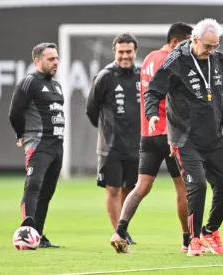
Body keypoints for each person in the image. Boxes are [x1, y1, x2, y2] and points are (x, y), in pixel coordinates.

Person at [144, 18, 223, 257]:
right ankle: (193, 240)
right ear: (194, 39)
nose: (211, 51)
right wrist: (151, 114)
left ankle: (210, 232)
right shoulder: (175, 62)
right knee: (197, 184)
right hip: (184, 138)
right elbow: (153, 91)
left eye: (215, 47)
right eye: (207, 47)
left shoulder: (218, 60)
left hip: (212, 137)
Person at [110, 22, 193, 254]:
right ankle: (188, 242)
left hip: (148, 134)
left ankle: (119, 231)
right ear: (175, 42)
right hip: (170, 133)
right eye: (189, 41)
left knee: (141, 187)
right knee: (184, 189)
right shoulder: (174, 60)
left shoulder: (148, 58)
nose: (192, 47)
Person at [86, 33, 141, 245]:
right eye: (121, 52)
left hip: (137, 144)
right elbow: (91, 110)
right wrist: (106, 131)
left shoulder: (142, 75)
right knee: (113, 188)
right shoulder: (104, 77)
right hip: (111, 145)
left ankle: (123, 227)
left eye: (129, 52)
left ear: (135, 52)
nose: (125, 56)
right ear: (114, 53)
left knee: (130, 188)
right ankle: (120, 233)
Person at [9, 42, 64, 248]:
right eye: (51, 59)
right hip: (39, 144)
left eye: (56, 58)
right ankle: (26, 232)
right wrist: (21, 134)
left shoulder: (55, 84)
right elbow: (14, 112)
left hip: (57, 146)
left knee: (47, 192)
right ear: (37, 61)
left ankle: (38, 236)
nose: (55, 62)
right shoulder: (29, 82)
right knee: (33, 186)